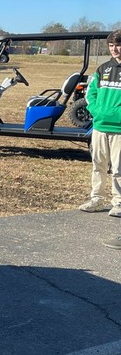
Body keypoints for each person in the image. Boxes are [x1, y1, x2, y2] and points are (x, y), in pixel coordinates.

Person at [79, 29, 121, 219]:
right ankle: (97, 199)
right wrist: (97, 111)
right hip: (99, 127)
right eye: (111, 45)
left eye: (118, 45)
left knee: (119, 168)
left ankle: (118, 202)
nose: (115, 49)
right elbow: (91, 94)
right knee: (98, 165)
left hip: (119, 129)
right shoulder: (103, 69)